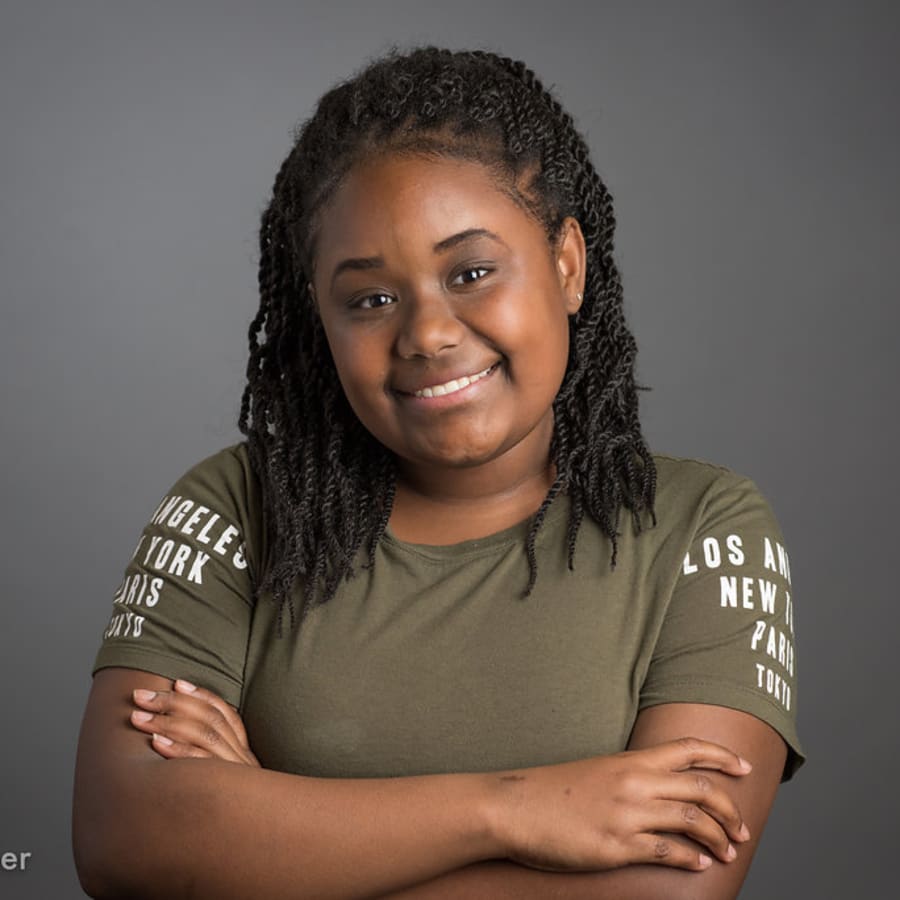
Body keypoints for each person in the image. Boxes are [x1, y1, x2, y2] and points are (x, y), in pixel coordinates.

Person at [73, 47, 803, 899]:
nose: (426, 333)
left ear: (567, 264)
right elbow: (123, 839)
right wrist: (516, 809)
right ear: (322, 318)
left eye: (471, 272)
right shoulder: (236, 508)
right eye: (371, 298)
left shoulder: (704, 527)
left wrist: (269, 836)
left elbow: (666, 891)